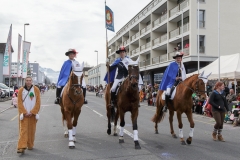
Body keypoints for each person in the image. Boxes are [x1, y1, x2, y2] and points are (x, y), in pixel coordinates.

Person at [17, 76, 41, 153]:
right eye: (27, 80)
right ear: (25, 81)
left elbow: (38, 102)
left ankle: (30, 144)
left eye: (30, 80)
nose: (28, 82)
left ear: (32, 81)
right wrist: (24, 112)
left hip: (32, 115)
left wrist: (33, 112)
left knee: (32, 130)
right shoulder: (21, 90)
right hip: (24, 115)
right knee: (23, 130)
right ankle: (22, 146)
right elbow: (19, 102)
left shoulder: (36, 90)